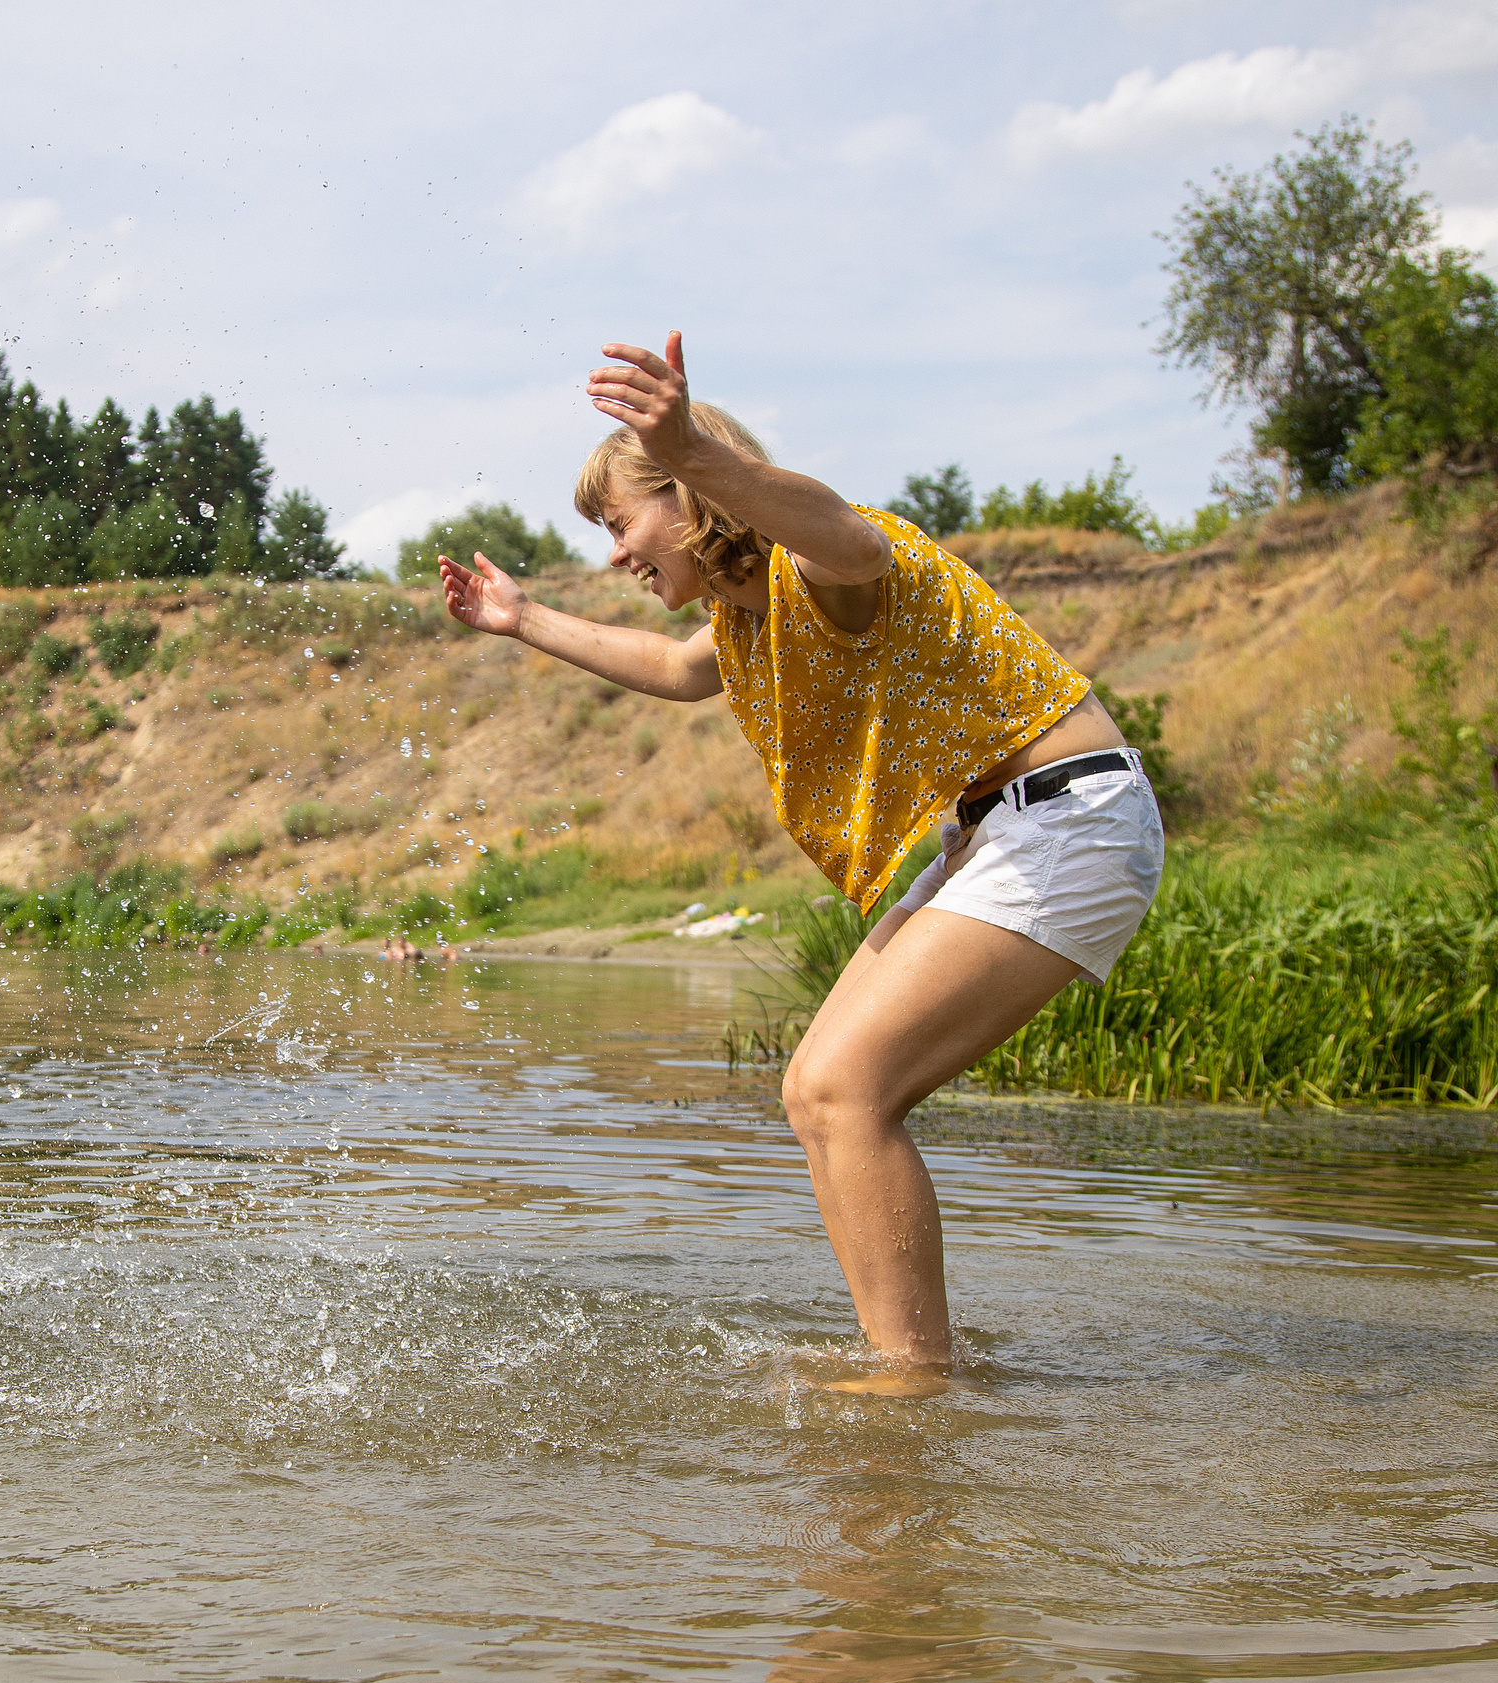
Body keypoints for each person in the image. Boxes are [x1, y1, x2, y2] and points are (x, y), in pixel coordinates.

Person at [440, 333, 1162, 1386]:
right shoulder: (744, 617)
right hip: (1001, 827)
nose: (612, 553)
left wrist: (686, 445)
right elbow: (676, 671)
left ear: (691, 499)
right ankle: (906, 1365)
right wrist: (521, 619)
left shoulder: (822, 570)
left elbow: (854, 542)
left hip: (1068, 819)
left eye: (620, 521)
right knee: (813, 1092)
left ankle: (912, 1382)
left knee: (843, 1087)